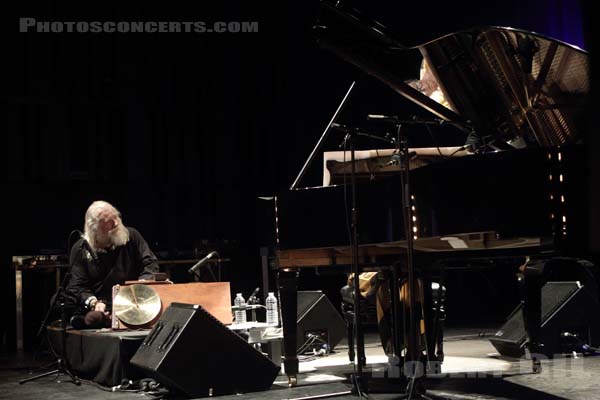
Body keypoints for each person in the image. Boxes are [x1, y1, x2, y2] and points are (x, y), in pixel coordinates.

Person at [65, 200, 159, 328]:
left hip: (135, 302)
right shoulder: (80, 249)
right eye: (109, 221)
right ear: (95, 229)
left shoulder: (132, 236)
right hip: (102, 305)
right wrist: (94, 303)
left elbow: (150, 263)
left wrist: (142, 286)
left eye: (116, 217)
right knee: (91, 317)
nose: (116, 223)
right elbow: (77, 286)